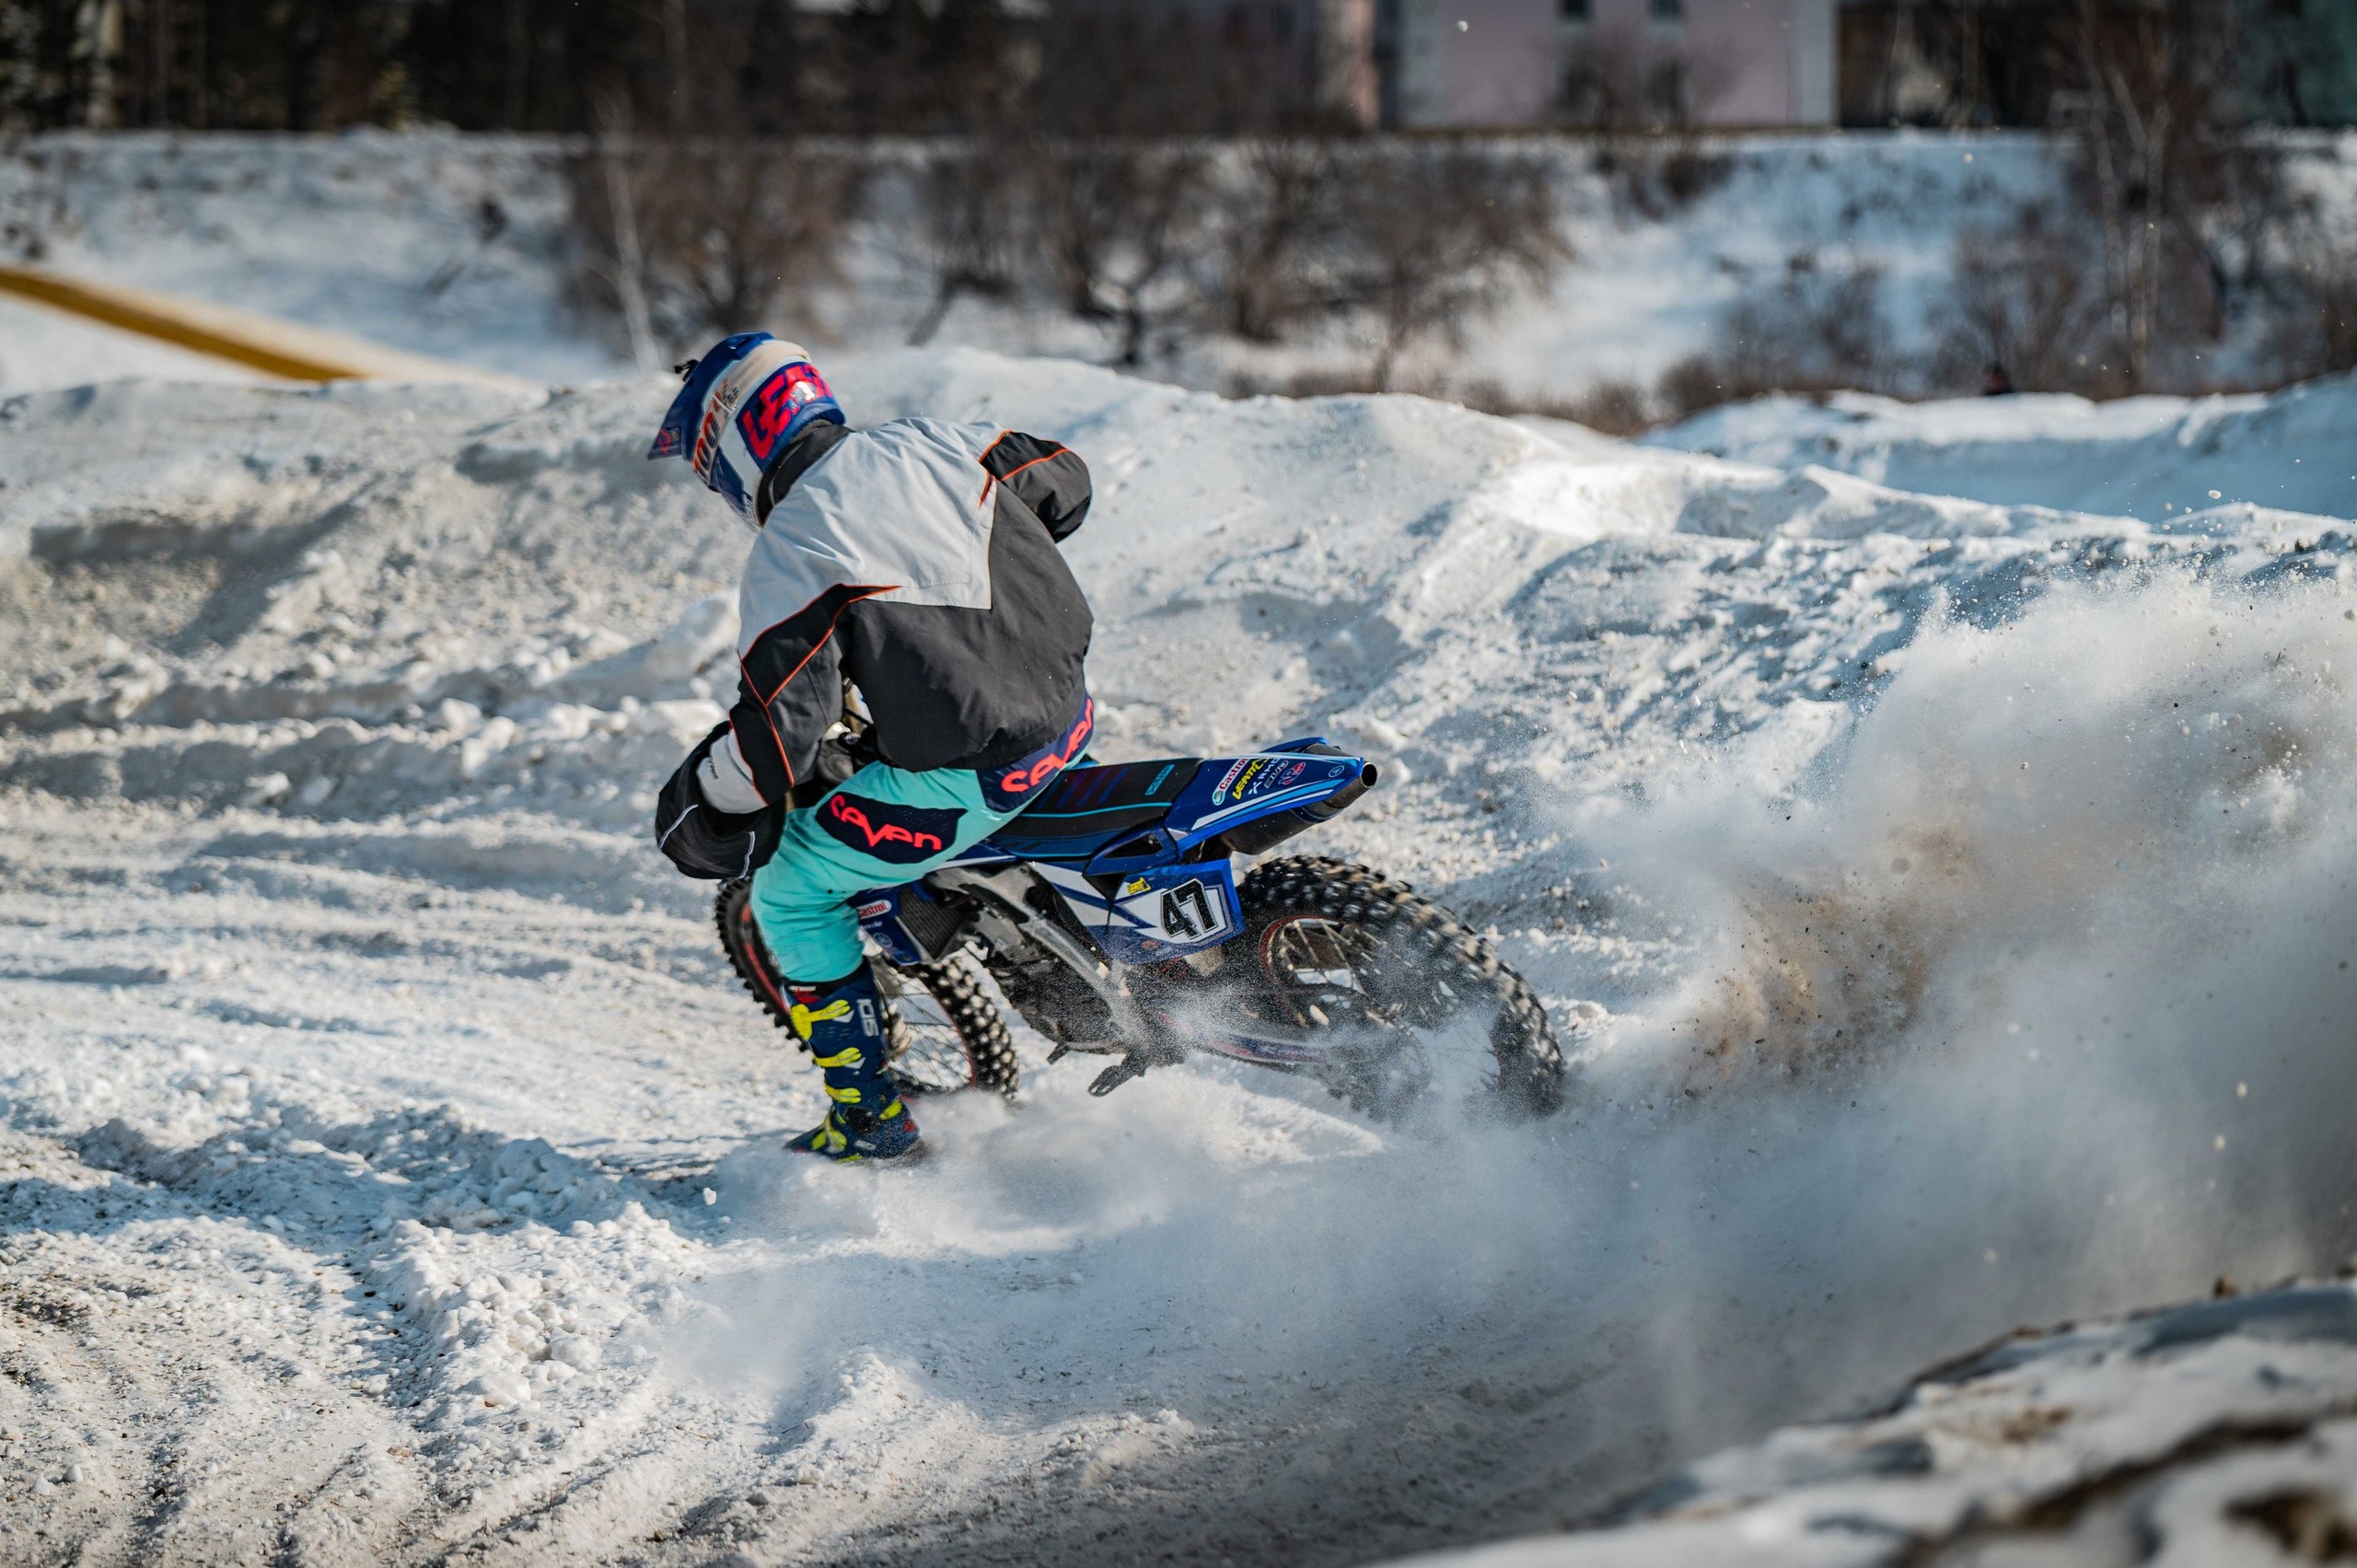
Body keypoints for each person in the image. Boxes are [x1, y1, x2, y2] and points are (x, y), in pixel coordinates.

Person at [647, 334, 1096, 1162]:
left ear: (731, 445)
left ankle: (869, 1124)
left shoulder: (794, 545)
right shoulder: (936, 441)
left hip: (971, 776)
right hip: (1069, 717)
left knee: (790, 891)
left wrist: (703, 798)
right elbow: (1066, 481)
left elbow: (782, 737)